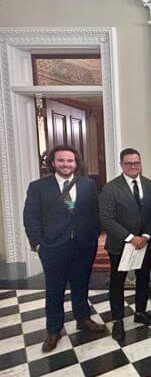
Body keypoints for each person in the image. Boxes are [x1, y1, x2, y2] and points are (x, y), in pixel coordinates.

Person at [23, 145, 105, 352]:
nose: (66, 164)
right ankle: (54, 329)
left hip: (84, 244)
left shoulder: (88, 185)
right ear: (53, 162)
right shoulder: (38, 186)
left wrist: (94, 235)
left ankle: (83, 319)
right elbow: (30, 217)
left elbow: (95, 212)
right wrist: (38, 242)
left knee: (81, 284)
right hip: (53, 246)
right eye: (61, 160)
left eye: (70, 161)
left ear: (76, 163)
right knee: (54, 289)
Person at [100, 148, 151, 341]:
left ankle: (140, 312)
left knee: (143, 278)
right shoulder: (110, 188)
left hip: (145, 243)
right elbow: (106, 219)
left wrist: (146, 236)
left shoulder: (150, 185)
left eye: (137, 163)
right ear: (121, 164)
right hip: (121, 244)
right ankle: (117, 320)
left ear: (141, 163)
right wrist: (131, 237)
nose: (133, 166)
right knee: (118, 282)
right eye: (129, 163)